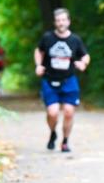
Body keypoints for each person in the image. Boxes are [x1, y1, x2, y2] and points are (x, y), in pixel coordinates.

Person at [34, 8, 90, 153]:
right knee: (52, 113)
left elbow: (85, 55)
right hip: (49, 80)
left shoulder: (75, 39)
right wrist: (39, 65)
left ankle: (65, 141)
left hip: (69, 80)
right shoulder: (47, 38)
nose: (61, 23)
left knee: (69, 112)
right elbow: (39, 51)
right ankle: (53, 133)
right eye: (58, 20)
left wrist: (83, 63)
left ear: (68, 21)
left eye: (64, 20)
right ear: (55, 22)